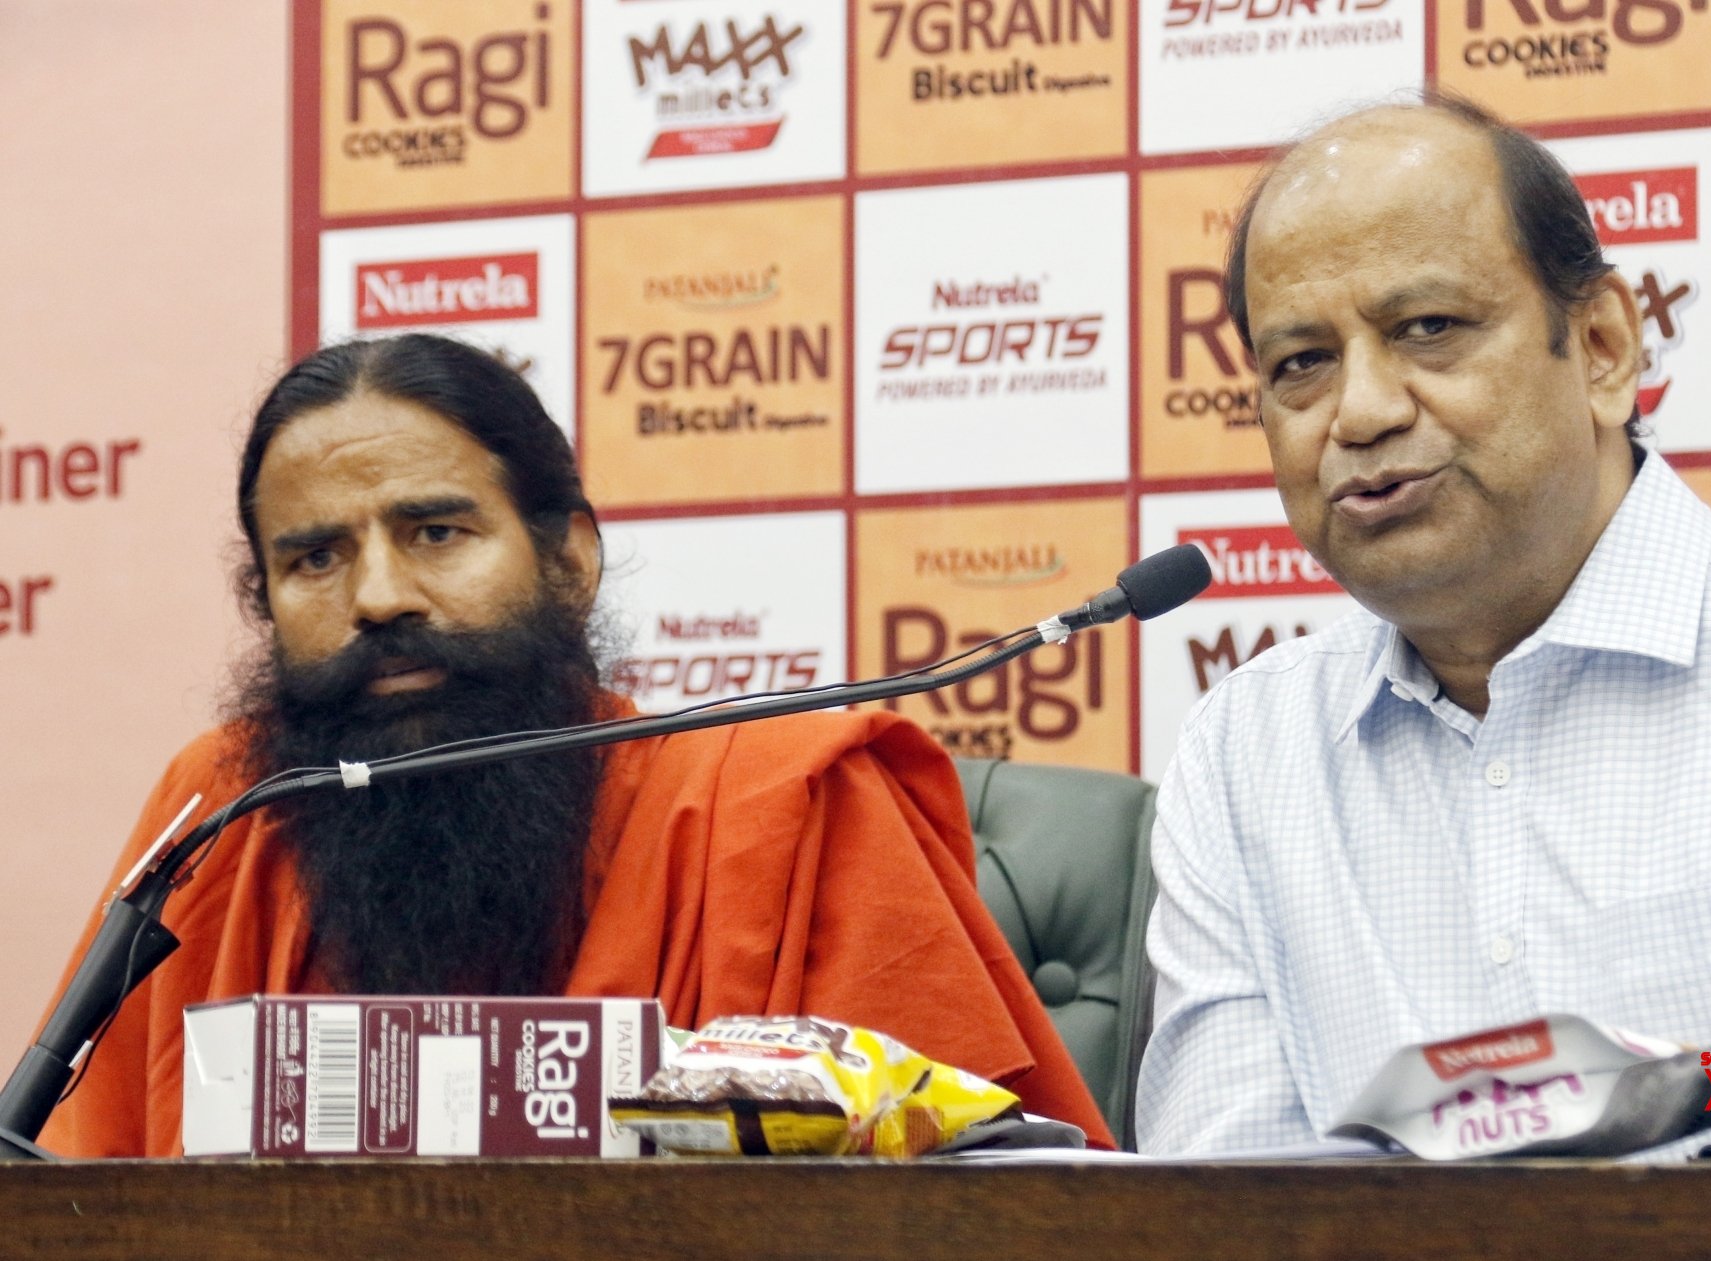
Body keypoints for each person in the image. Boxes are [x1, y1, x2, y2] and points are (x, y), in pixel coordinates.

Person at [1135, 93, 1711, 1154]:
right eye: (1299, 363)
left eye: (1427, 329)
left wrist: (1664, 1088)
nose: (1357, 413)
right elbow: (1215, 1201)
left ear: (1598, 346)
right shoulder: (1240, 754)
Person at [41, 333, 1111, 1157]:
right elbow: (90, 1190)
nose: (378, 596)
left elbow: (965, 1206)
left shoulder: (785, 800)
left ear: (569, 560)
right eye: (315, 557)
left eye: (435, 532)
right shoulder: (226, 809)